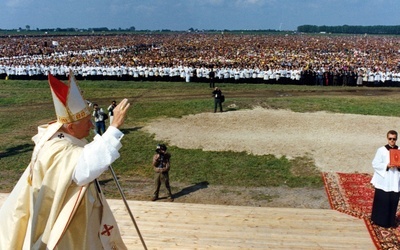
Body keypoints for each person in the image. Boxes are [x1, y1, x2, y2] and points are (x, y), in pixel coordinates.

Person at [0, 72, 130, 249]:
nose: (92, 125)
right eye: (87, 122)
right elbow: (84, 169)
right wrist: (113, 129)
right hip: (66, 225)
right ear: (70, 127)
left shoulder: (57, 134)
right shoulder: (57, 151)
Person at [370, 130, 400, 228]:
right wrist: (386, 166)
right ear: (387, 138)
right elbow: (375, 163)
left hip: (395, 179)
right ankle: (379, 220)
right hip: (384, 179)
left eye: (394, 139)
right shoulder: (381, 150)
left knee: (393, 200)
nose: (392, 141)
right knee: (382, 199)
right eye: (390, 138)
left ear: (396, 139)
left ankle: (390, 221)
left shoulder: (399, 150)